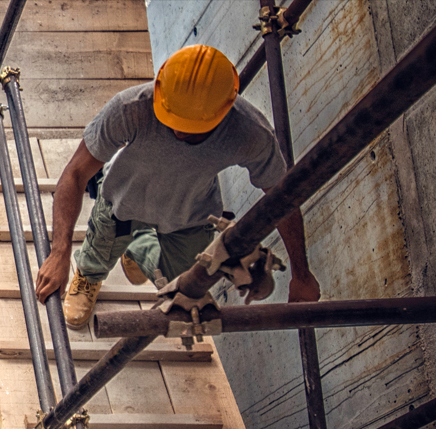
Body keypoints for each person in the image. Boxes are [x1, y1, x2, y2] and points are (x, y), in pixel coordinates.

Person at [35, 44, 321, 329]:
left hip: (189, 215)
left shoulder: (249, 133)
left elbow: (282, 199)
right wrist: (59, 253)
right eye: (172, 119)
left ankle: (137, 247)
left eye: (192, 127)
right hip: (123, 201)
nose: (179, 131)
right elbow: (74, 173)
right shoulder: (130, 108)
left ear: (224, 111)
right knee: (99, 250)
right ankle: (89, 275)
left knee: (185, 286)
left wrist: (302, 273)